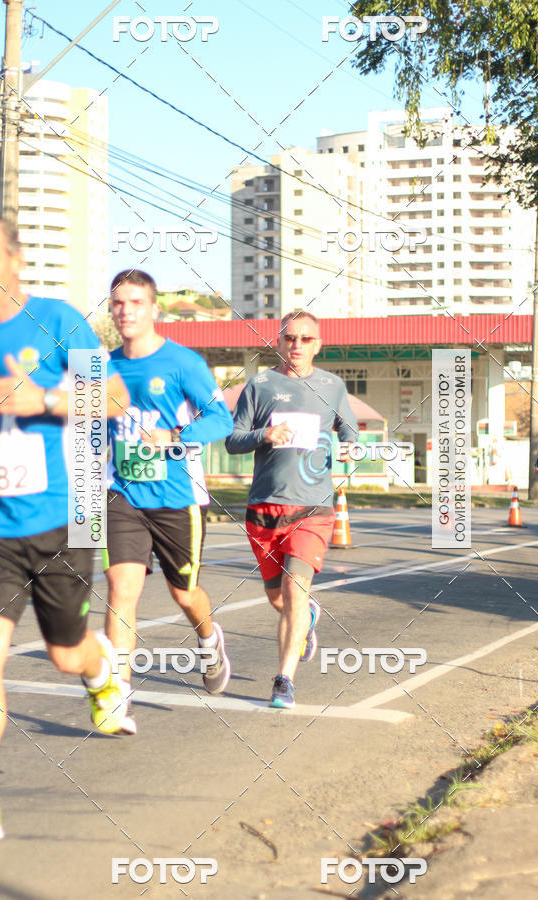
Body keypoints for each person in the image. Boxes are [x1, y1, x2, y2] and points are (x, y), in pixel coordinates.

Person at [0, 216, 131, 841]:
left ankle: (99, 670)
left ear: (17, 261)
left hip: (62, 519)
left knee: (65, 653)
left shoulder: (59, 322)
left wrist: (47, 401)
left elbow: (114, 399)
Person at [104, 270, 234, 733]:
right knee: (121, 590)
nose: (126, 311)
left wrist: (175, 435)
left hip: (177, 497)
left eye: (136, 302)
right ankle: (116, 697)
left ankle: (209, 640)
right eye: (118, 303)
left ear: (154, 308)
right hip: (122, 492)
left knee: (184, 593)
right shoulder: (101, 367)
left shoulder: (183, 363)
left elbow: (222, 419)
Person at [225, 310, 358, 709]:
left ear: (318, 345)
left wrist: (350, 445)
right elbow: (232, 439)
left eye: (305, 338)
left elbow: (349, 428)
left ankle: (284, 681)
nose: (297, 344)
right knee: (278, 599)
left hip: (312, 508)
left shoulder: (332, 386)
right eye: (289, 338)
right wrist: (264, 434)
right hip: (263, 507)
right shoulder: (260, 384)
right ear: (278, 342)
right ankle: (308, 619)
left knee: (294, 589)